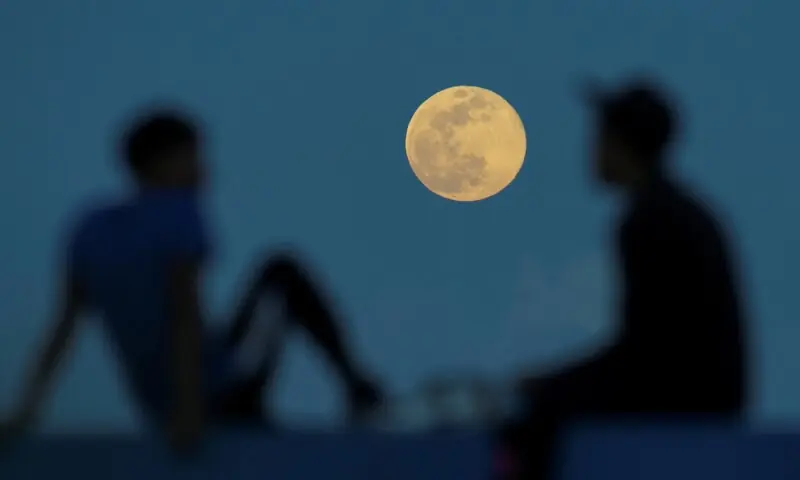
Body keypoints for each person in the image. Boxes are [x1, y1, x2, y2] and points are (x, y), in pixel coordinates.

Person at [0, 109, 383, 450]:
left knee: (271, 284)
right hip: (212, 394)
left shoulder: (90, 227)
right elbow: (183, 314)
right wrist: (189, 411)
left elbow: (63, 328)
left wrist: (27, 408)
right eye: (193, 157)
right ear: (162, 163)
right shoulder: (178, 214)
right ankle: (359, 390)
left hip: (157, 404)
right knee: (282, 273)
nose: (204, 170)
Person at [503, 78, 749, 479]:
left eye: (599, 139)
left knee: (534, 416)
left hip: (689, 395)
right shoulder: (683, 210)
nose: (590, 151)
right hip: (710, 391)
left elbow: (645, 351)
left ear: (620, 145)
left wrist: (548, 384)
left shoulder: (649, 220)